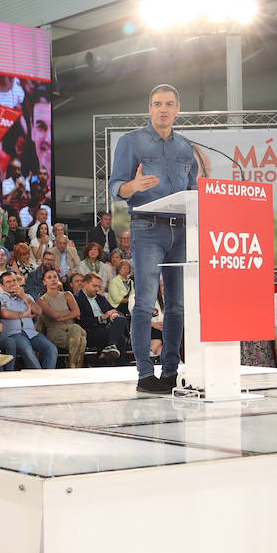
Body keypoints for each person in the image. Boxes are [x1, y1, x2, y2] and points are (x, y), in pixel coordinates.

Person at [108, 83, 195, 394]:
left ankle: (171, 372)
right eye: (157, 103)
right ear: (149, 108)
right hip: (146, 227)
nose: (163, 109)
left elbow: (194, 191)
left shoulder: (186, 147)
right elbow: (115, 187)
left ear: (177, 109)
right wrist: (134, 186)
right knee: (145, 302)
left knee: (177, 305)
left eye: (169, 104)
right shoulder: (131, 142)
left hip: (182, 230)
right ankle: (145, 374)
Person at [0, 270, 57, 370]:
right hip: (14, 334)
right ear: (2, 286)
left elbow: (39, 311)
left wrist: (23, 296)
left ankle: (46, 376)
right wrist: (25, 314)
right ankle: (41, 378)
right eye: (8, 282)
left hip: (32, 333)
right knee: (28, 351)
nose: (12, 284)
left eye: (14, 280)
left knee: (51, 349)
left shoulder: (27, 296)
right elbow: (5, 313)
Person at [37, 267, 87, 367]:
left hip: (71, 328)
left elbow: (77, 312)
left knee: (75, 328)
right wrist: (69, 312)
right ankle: (76, 366)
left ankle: (72, 366)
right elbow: (54, 316)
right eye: (49, 278)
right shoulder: (42, 300)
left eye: (55, 277)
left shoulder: (67, 294)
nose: (53, 280)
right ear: (44, 282)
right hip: (55, 332)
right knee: (81, 340)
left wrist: (62, 316)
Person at [75, 273, 130, 362]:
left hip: (106, 327)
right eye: (94, 286)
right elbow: (81, 321)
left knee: (120, 318)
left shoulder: (100, 298)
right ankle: (118, 363)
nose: (97, 289)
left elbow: (114, 310)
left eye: (99, 287)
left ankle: (111, 346)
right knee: (120, 338)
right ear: (85, 284)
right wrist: (101, 318)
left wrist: (113, 315)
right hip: (90, 330)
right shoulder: (77, 299)